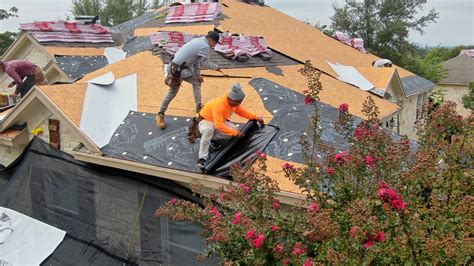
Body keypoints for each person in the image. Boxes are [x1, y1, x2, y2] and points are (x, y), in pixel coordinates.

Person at [157, 31, 223, 129]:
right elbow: (205, 63)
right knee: (172, 93)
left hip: (182, 67)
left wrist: (198, 75)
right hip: (177, 70)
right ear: (210, 40)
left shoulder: (198, 40)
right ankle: (160, 114)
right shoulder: (204, 46)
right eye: (215, 43)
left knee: (197, 82)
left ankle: (199, 107)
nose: (214, 46)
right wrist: (216, 67)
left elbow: (196, 61)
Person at [196, 83, 264, 168]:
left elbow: (242, 112)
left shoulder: (234, 104)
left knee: (234, 130)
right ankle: (202, 159)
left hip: (219, 120)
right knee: (208, 131)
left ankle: (214, 139)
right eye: (238, 102)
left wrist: (256, 117)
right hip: (206, 121)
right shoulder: (219, 105)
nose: (239, 103)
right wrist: (235, 133)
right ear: (232, 99)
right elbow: (218, 125)